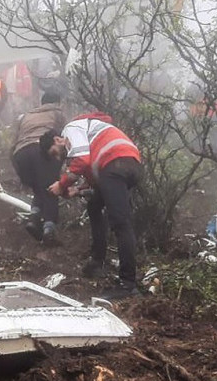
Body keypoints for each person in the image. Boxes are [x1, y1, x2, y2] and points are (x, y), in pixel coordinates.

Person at [41, 113, 143, 299]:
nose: (59, 158)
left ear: (58, 139)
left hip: (116, 163)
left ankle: (128, 284)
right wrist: (78, 190)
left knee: (121, 223)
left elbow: (82, 161)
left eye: (55, 152)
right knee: (95, 206)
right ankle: (96, 263)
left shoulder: (70, 129)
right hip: (128, 164)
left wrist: (61, 184)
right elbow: (97, 178)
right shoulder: (90, 135)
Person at [10, 92, 66, 244]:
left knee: (39, 189)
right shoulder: (57, 113)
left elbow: (14, 140)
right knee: (51, 189)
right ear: (57, 102)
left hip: (20, 154)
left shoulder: (27, 115)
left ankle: (34, 219)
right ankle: (49, 230)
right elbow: (63, 137)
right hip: (41, 150)